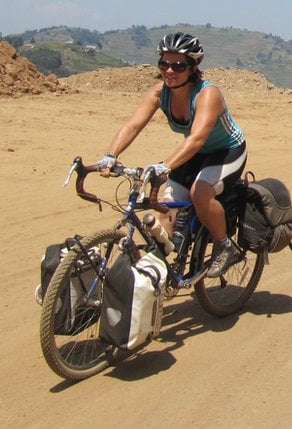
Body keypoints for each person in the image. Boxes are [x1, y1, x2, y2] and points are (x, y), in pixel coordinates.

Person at [96, 32, 246, 278]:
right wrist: (110, 155)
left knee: (200, 193)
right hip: (194, 153)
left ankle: (225, 246)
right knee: (166, 209)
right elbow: (133, 125)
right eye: (164, 64)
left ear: (192, 68)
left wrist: (164, 166)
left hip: (227, 151)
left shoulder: (208, 94)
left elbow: (197, 138)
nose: (169, 71)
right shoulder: (159, 93)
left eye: (178, 65)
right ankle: (159, 271)